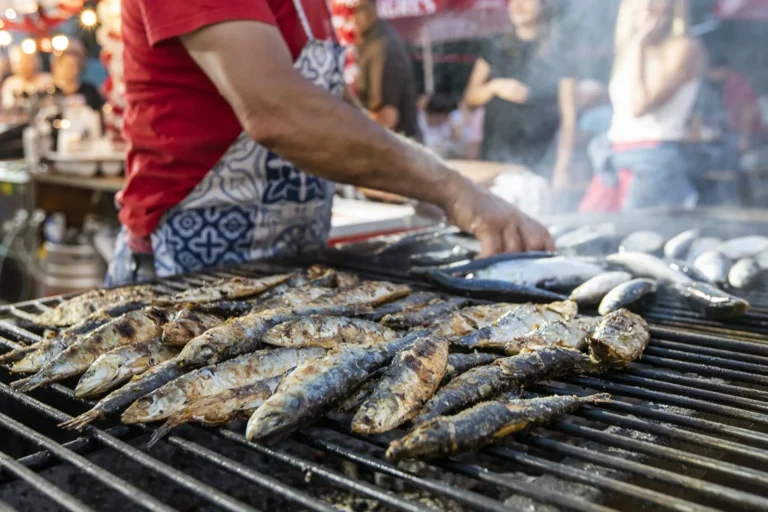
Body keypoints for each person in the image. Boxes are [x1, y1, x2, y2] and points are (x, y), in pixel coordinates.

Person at [109, 0, 553, 285]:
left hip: (286, 273)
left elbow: (351, 133)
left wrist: (471, 181)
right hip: (182, 276)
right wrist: (455, 191)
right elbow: (278, 112)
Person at [600, 0, 704, 210]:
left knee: (639, 236)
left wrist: (639, 45)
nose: (647, 5)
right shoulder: (627, 49)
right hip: (615, 157)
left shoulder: (683, 47)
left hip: (655, 160)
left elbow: (640, 106)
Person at [463, 0, 578, 189]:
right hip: (494, 163)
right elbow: (469, 99)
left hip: (539, 163)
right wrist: (495, 86)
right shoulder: (494, 46)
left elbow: (569, 116)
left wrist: (563, 166)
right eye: (513, 1)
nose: (517, 6)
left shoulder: (559, 51)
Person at [353, 0, 421, 140]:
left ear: (371, 8)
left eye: (354, 11)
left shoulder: (381, 47)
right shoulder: (369, 40)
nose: (350, 18)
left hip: (395, 152)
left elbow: (386, 117)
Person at [51, 41, 105, 112]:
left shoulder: (90, 91)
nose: (72, 70)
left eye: (75, 65)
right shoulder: (51, 92)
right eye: (68, 65)